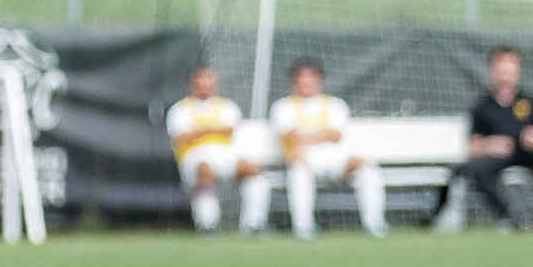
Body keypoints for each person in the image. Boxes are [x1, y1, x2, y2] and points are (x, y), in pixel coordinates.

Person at [436, 45, 533, 230]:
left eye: (511, 67)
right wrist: (489, 145)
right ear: (492, 70)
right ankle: (510, 217)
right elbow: (472, 147)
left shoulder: (530, 101)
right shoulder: (482, 106)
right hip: (500, 156)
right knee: (477, 170)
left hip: (528, 153)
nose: (506, 73)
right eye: (502, 68)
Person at [267, 58, 387, 239]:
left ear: (319, 79)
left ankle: (374, 223)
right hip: (304, 160)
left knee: (367, 166)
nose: (306, 81)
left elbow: (335, 136)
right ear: (294, 80)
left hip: (335, 160)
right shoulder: (282, 107)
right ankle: (303, 228)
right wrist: (320, 135)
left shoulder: (335, 104)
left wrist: (306, 136)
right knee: (298, 168)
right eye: (302, 77)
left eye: (311, 76)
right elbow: (292, 138)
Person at [165, 66, 272, 235]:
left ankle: (254, 224)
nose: (205, 85)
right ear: (192, 83)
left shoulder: (227, 106)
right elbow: (184, 137)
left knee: (253, 170)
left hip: (224, 155)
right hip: (194, 157)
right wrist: (214, 130)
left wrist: (200, 131)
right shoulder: (180, 109)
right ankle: (207, 223)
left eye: (209, 80)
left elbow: (229, 131)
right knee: (205, 169)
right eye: (201, 80)